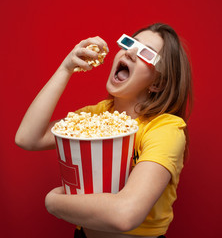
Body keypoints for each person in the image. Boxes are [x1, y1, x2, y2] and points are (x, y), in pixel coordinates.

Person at [15, 23, 193, 238]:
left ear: (158, 84)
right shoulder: (96, 117)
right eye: (129, 43)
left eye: (147, 53)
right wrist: (66, 68)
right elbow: (28, 138)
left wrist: (53, 202)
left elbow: (125, 214)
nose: (131, 52)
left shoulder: (165, 129)